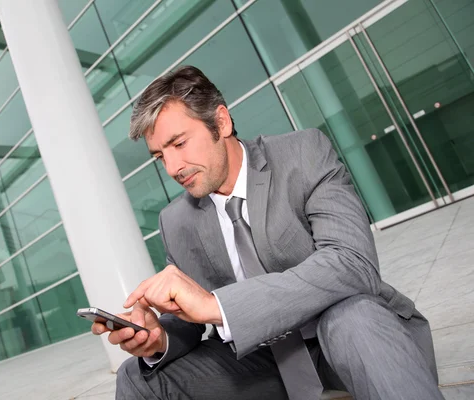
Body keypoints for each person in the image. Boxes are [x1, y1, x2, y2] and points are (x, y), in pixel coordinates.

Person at [91, 65, 443, 400]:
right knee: (137, 376)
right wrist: (157, 338)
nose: (172, 168)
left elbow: (352, 263)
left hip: (349, 340)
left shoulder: (303, 154)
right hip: (264, 364)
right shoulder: (176, 221)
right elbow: (188, 322)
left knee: (352, 316)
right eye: (159, 156)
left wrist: (217, 306)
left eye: (179, 144)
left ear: (221, 121)